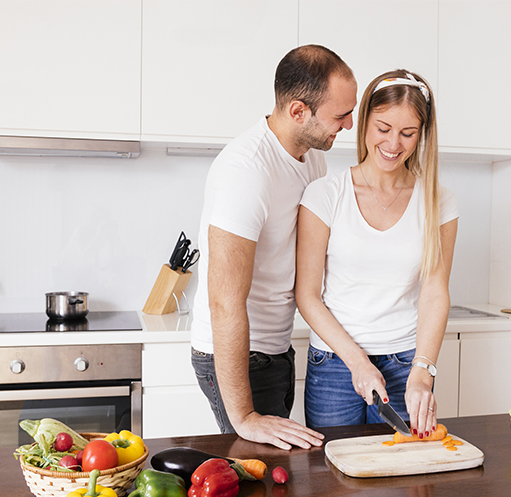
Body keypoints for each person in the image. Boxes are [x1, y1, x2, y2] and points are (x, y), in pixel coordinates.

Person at [190, 45, 358, 450]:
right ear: (298, 111)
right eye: (340, 115)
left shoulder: (309, 158)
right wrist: (245, 416)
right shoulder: (246, 172)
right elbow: (224, 302)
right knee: (257, 470)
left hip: (275, 352)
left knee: (276, 471)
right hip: (237, 357)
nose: (350, 124)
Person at [295, 69, 458, 439]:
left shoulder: (439, 202)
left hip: (406, 363)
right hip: (334, 363)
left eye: (408, 133)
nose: (393, 144)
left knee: (401, 476)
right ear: (363, 120)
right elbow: (307, 295)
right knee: (331, 477)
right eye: (383, 128)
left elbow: (435, 292)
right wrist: (358, 363)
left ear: (423, 135)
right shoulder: (325, 195)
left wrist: (423, 370)